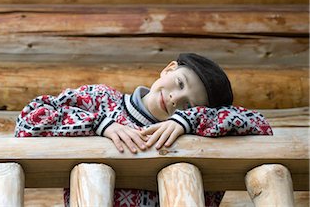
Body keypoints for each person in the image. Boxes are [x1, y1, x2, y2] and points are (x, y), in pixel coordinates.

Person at [15, 53, 272, 207]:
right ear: (169, 68)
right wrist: (100, 125)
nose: (174, 99)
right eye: (179, 83)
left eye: (188, 105)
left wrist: (190, 121)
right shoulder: (102, 102)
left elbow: (260, 125)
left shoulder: (201, 131)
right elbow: (29, 119)